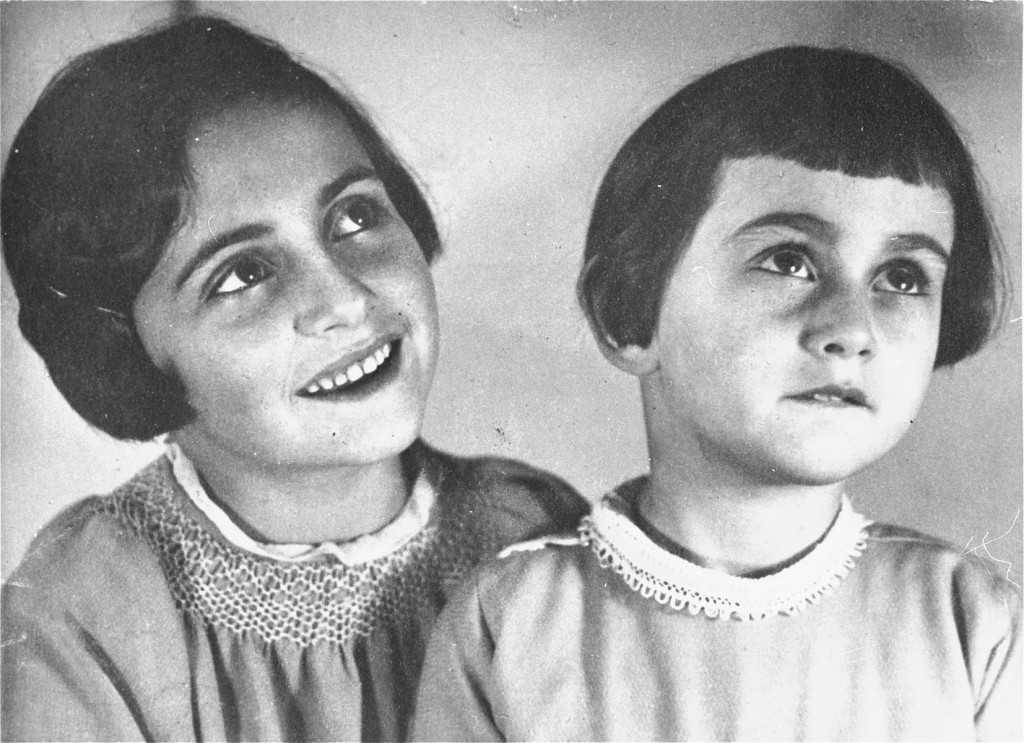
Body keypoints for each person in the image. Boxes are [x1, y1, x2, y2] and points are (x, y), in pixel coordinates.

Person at [0, 14, 587, 741]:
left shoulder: (530, 530)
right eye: (243, 273)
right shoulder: (85, 606)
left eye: (355, 216)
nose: (344, 299)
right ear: (123, 352)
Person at [412, 46, 1021, 741]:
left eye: (904, 277)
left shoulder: (968, 620)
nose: (852, 329)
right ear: (629, 314)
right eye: (789, 260)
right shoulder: (510, 621)